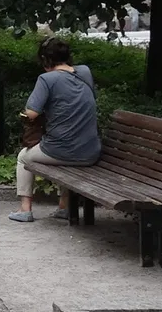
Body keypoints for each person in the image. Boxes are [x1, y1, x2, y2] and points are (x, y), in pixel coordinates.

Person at [10, 36, 100, 223]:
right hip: (90, 152)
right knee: (66, 155)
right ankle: (64, 207)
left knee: (23, 157)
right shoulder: (85, 72)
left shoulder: (47, 79)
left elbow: (31, 113)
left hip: (61, 150)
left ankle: (24, 209)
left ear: (45, 60)